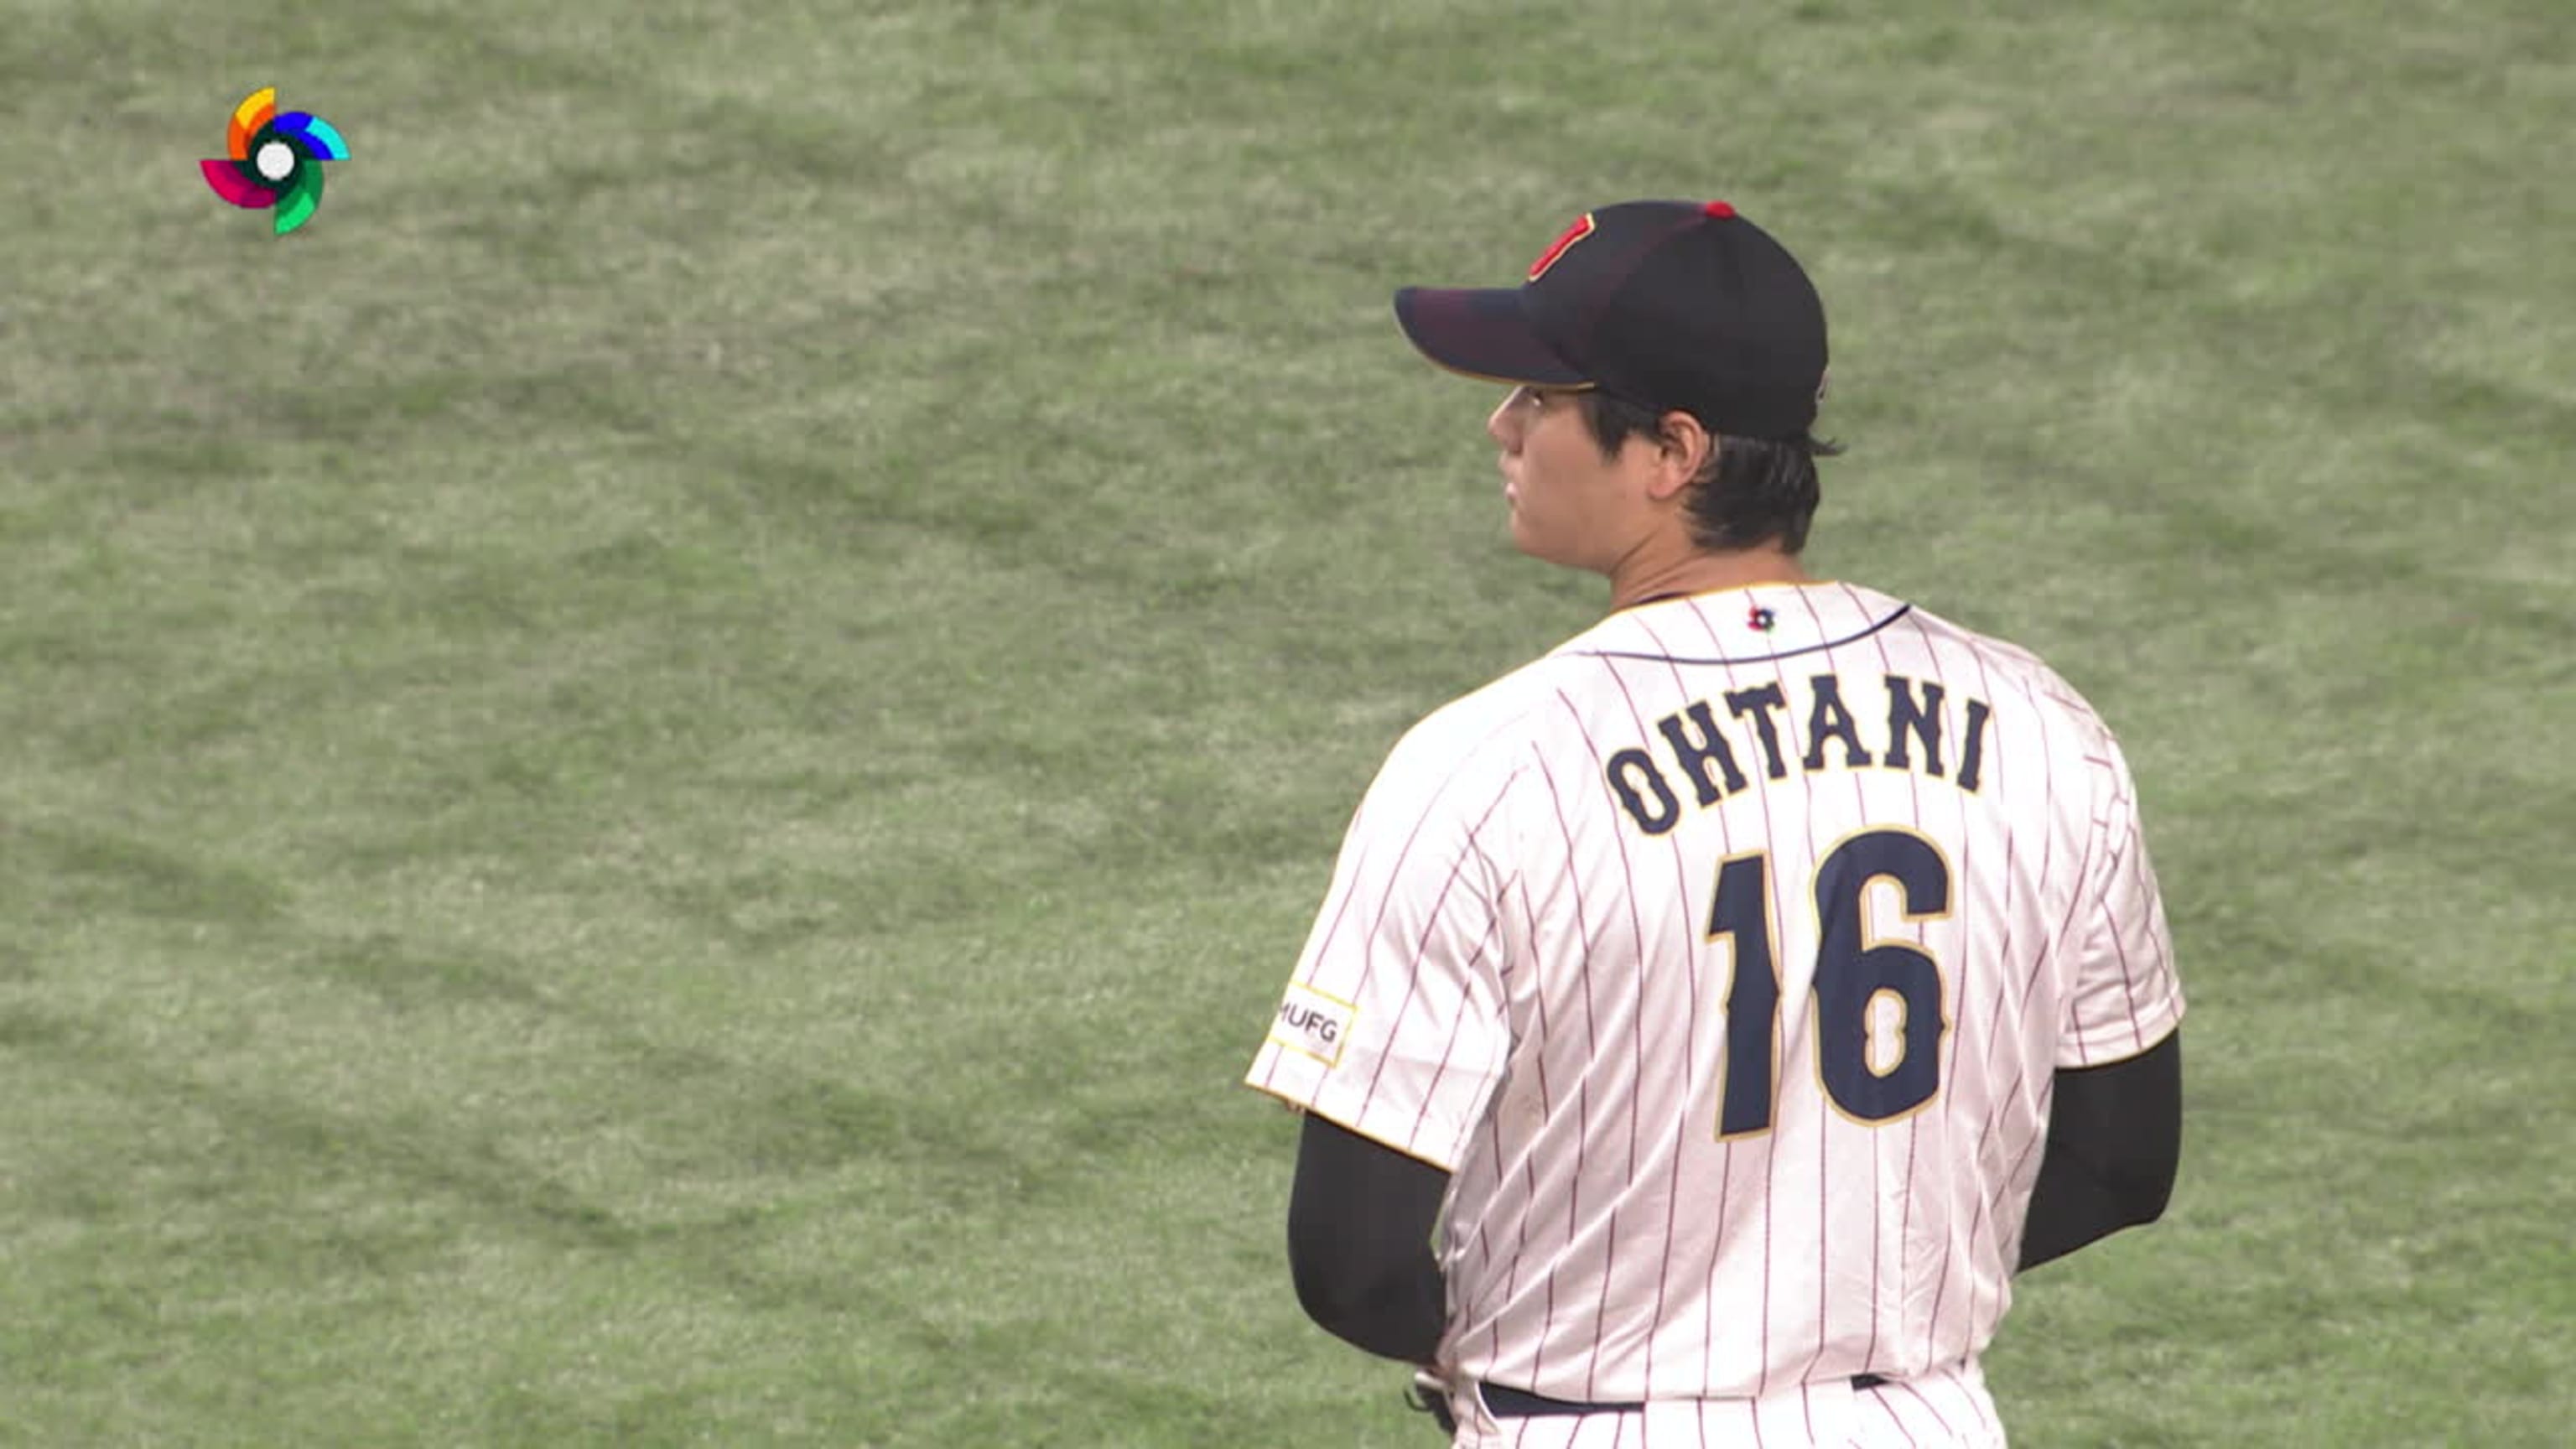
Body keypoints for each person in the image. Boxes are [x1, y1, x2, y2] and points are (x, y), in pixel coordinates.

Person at [1242, 200, 2184, 1447]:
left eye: (1542, 394)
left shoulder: (1490, 767)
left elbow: (1351, 1264)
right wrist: (1842, 1300)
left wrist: (1538, 1336)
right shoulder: (2041, 726)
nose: (1502, 422)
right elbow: (2121, 1161)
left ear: (1672, 451)